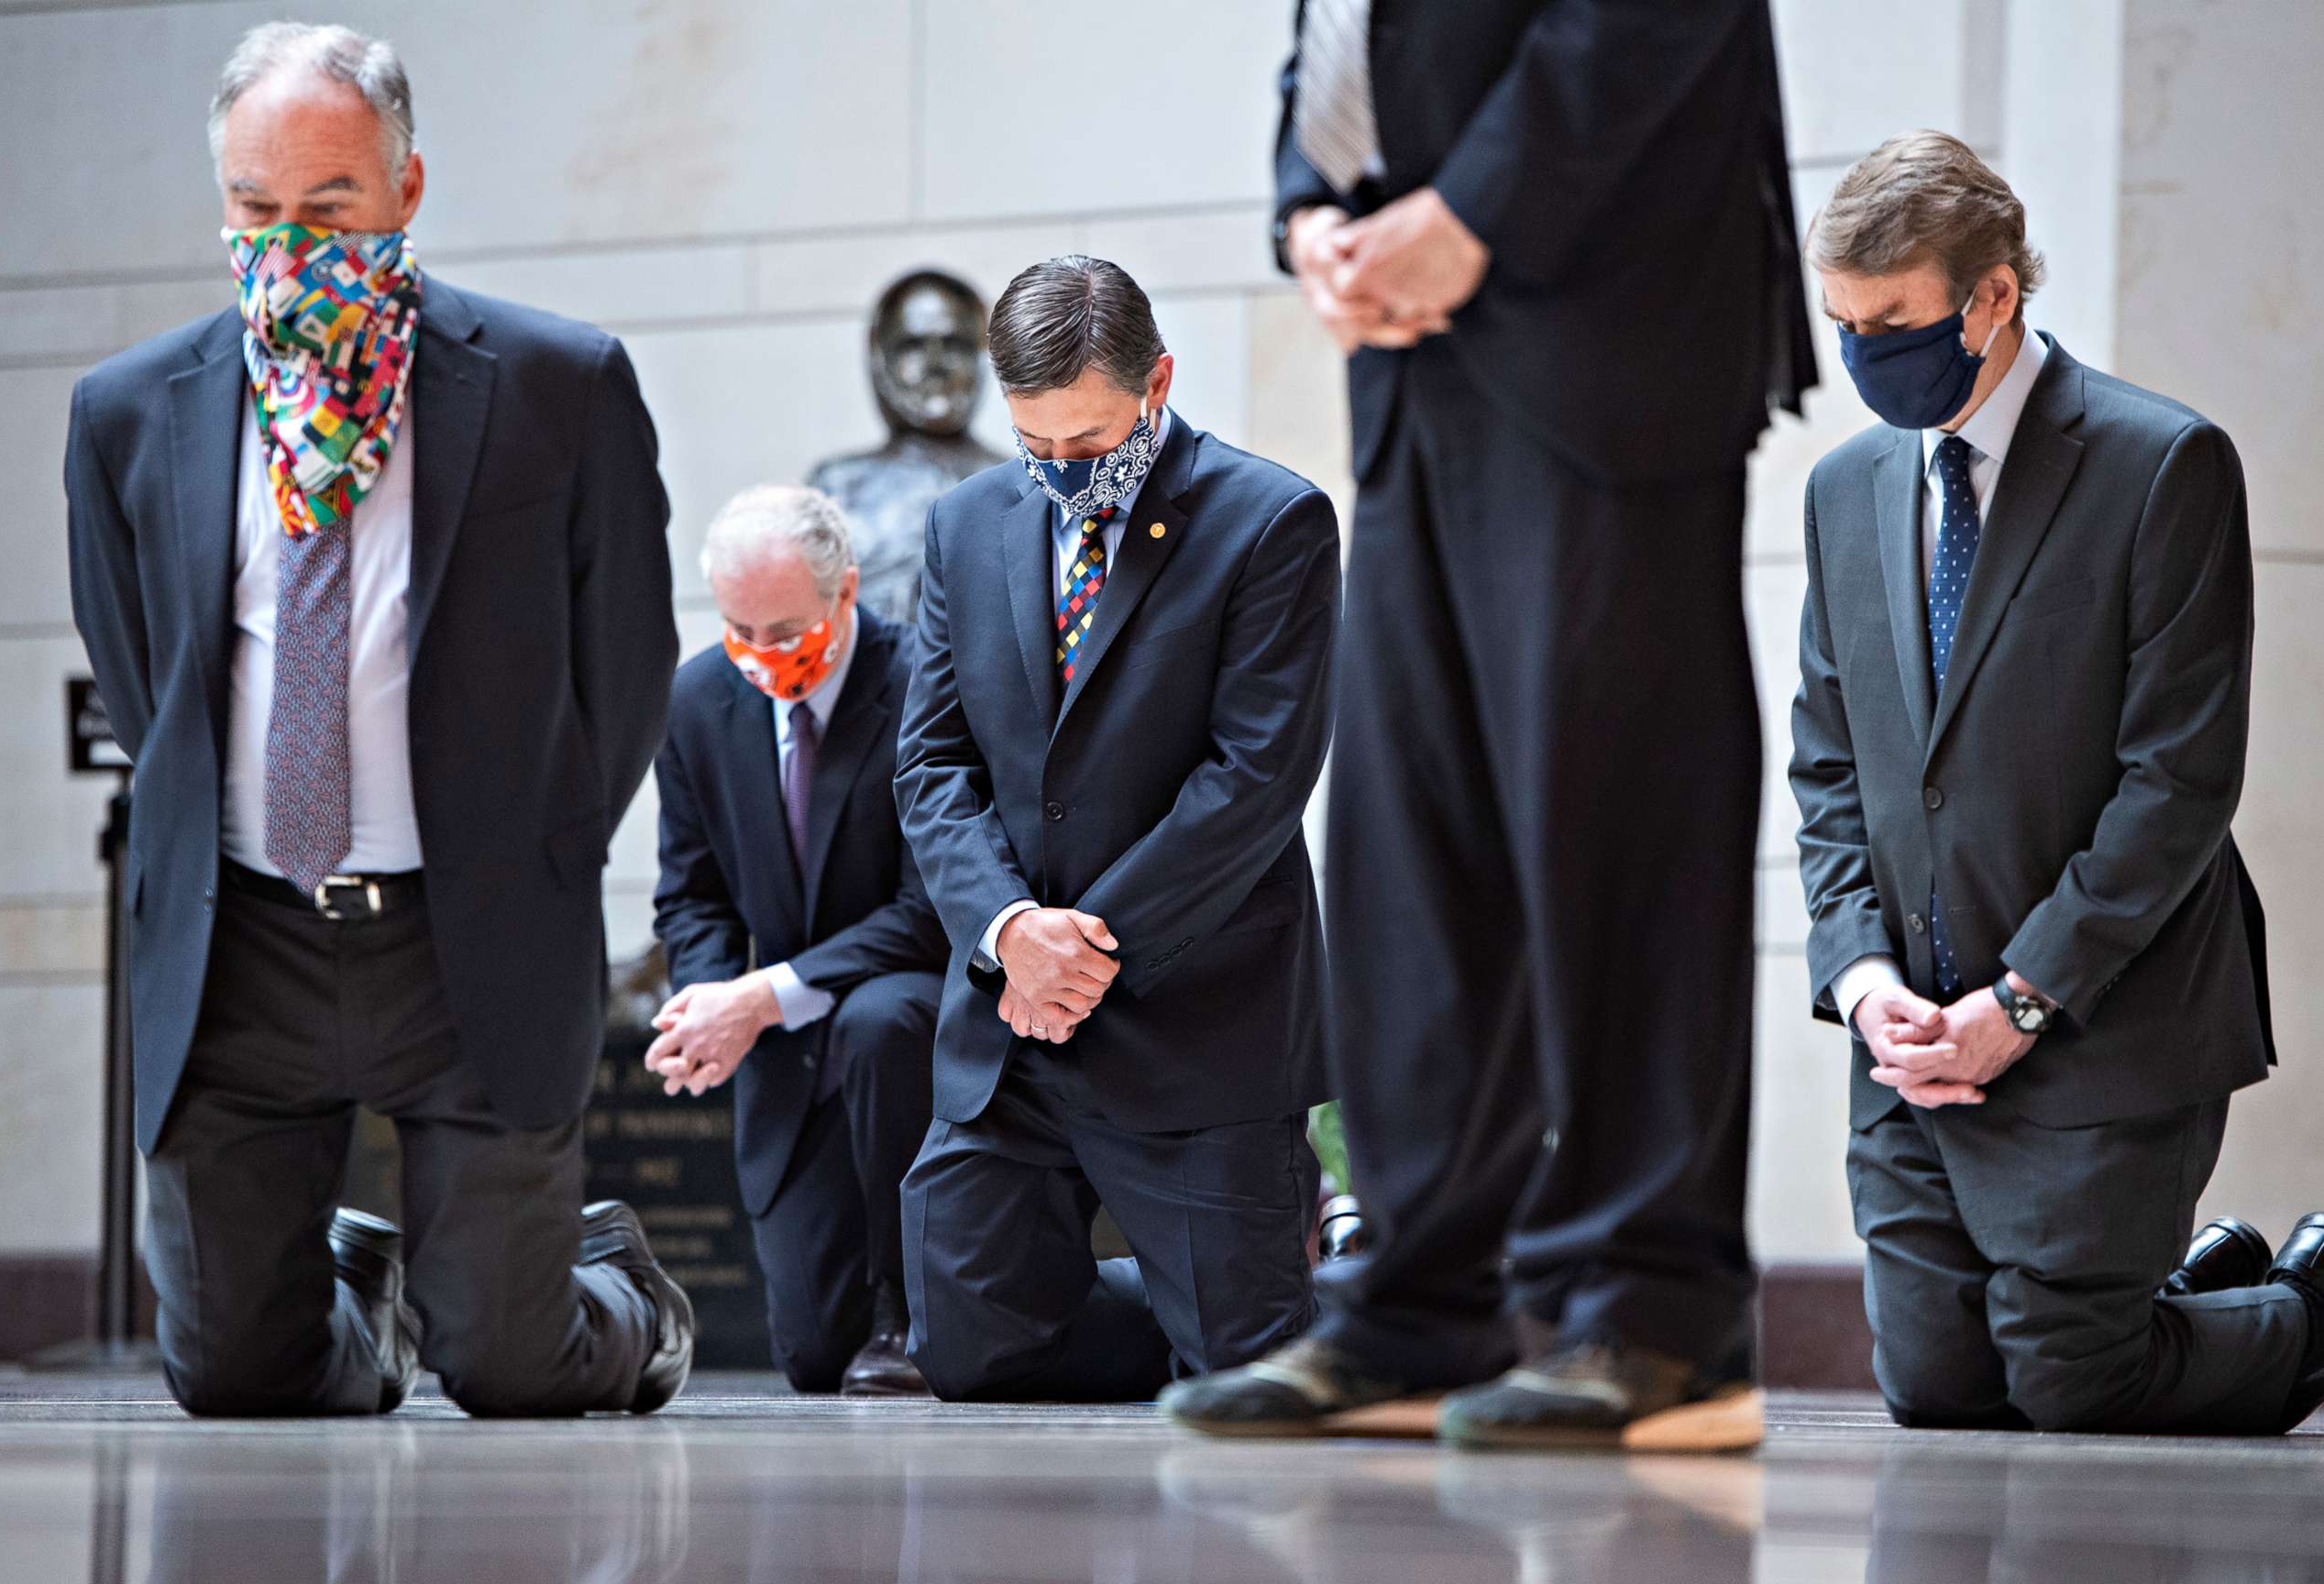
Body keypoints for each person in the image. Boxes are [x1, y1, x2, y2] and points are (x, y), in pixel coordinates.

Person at [1165, 0, 1815, 1446]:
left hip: (1601, 328)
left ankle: (1658, 1312)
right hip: (1411, 362)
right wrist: (1306, 217)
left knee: (1623, 835)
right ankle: (1415, 1309)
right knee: (1409, 850)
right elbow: (1339, 43)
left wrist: (1477, 205)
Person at [61, 22, 689, 1416]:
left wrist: (546, 846)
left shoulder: (555, 384)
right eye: (256, 207)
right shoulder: (123, 415)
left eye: (329, 205)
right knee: (232, 1375)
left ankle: (622, 1296)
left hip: (461, 940)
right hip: (240, 943)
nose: (289, 243)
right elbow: (141, 663)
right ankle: (362, 1298)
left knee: (516, 1370)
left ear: (406, 190)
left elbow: (629, 654)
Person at [1788, 130, 2320, 1435]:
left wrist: (2022, 1001)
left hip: (2105, 1013)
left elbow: (2179, 783)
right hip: (1912, 1040)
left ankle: (2301, 1306)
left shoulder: (2161, 464)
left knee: (2076, 1379)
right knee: (1936, 1390)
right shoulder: (1843, 489)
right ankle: (2197, 1287)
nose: (1863, 354)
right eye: (1842, 322)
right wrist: (1866, 988)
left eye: (1893, 320)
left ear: (1994, 296)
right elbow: (1829, 766)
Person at [893, 255, 1342, 1400]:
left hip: (1196, 1017)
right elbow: (933, 762)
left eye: (1087, 448)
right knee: (968, 1357)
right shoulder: (965, 522)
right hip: (1009, 1027)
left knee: (1247, 1371)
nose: (1058, 476)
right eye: (1033, 446)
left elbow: (1253, 781)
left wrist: (1080, 949)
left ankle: (1321, 1315)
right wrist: (1009, 933)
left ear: (1157, 385)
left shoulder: (1270, 521)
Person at [647, 485, 947, 1397]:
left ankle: (910, 1312)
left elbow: (928, 908)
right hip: (789, 1058)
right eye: (741, 629)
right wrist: (707, 1003)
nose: (764, 656)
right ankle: (865, 1321)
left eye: (785, 631)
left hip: (911, 1013)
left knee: (877, 1018)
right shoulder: (698, 698)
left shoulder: (923, 680)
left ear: (845, 593)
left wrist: (762, 994)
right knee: (812, 1357)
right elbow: (690, 894)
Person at [806, 270, 1008, 624]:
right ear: (879, 357)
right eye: (912, 346)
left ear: (982, 357)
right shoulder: (838, 486)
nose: (935, 365)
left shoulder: (1019, 481)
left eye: (955, 345)